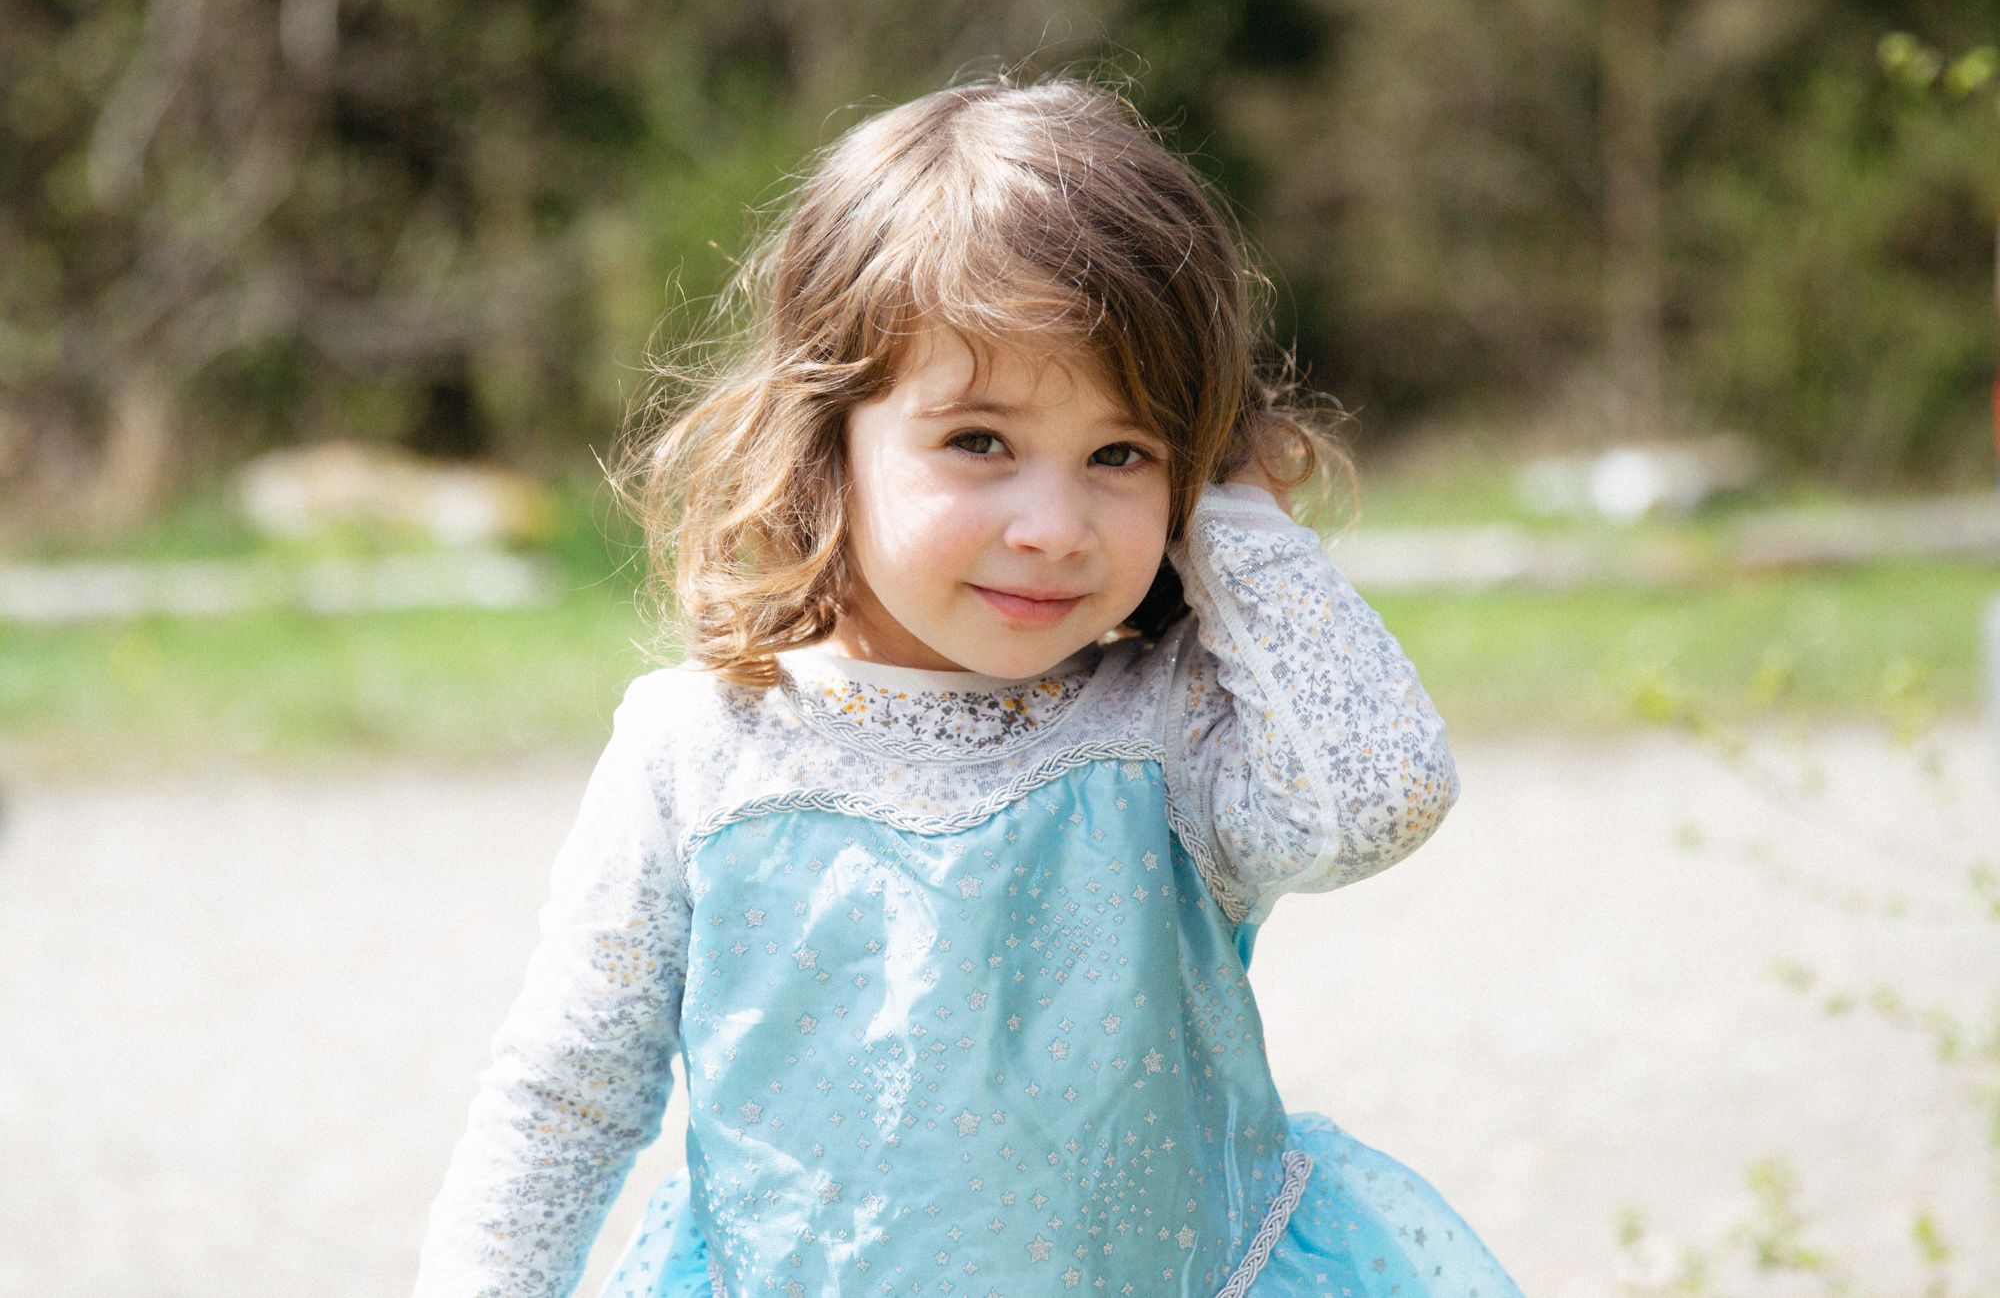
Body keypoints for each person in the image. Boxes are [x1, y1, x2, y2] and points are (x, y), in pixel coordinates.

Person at [414, 73, 1524, 1298]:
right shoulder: (701, 751)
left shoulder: (1165, 732)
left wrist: (1237, 510)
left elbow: (1385, 792)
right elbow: (566, 1093)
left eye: (1120, 453)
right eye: (978, 442)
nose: (1052, 525)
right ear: (827, 433)